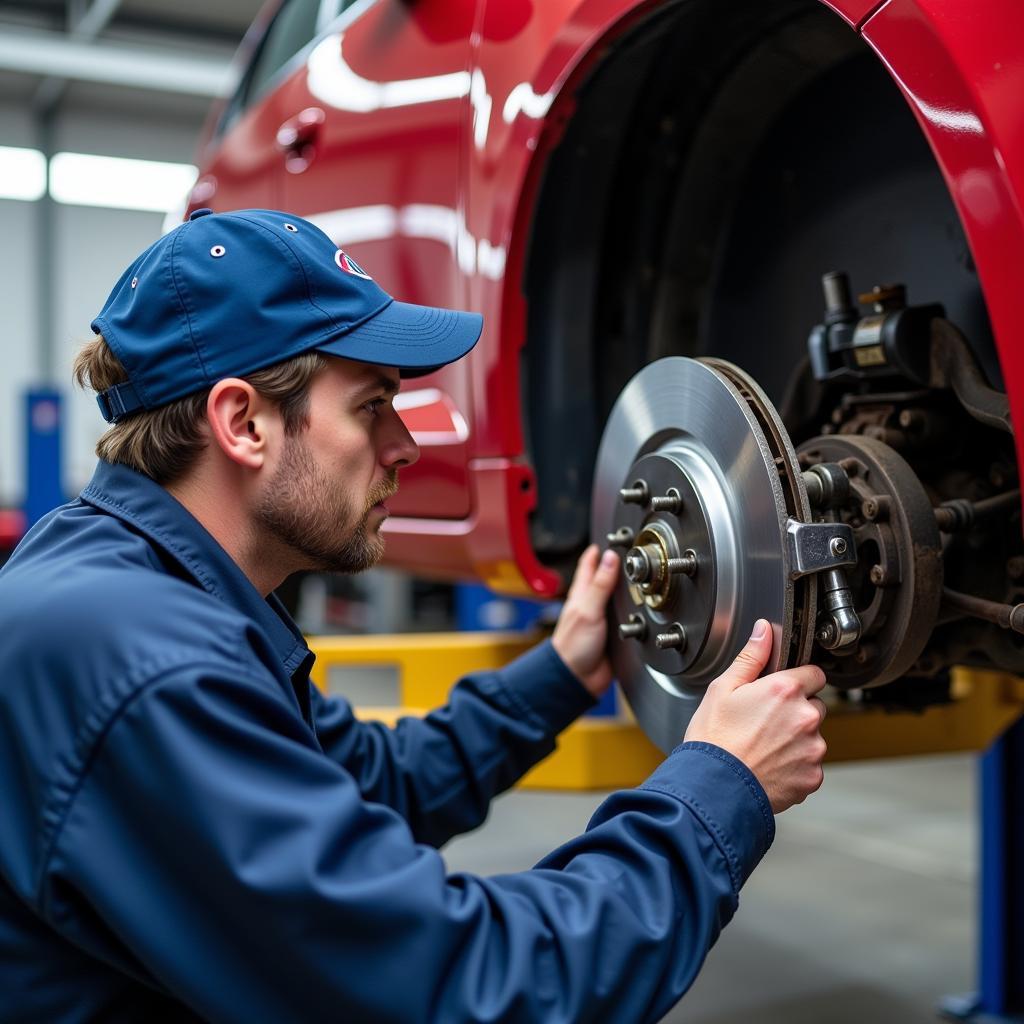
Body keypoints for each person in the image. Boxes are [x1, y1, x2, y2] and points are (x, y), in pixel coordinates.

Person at [0, 208, 826, 1023]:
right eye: (371, 406)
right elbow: (470, 989)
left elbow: (373, 787)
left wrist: (561, 672)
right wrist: (721, 787)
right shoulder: (143, 664)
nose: (405, 445)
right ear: (242, 422)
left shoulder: (154, 594)